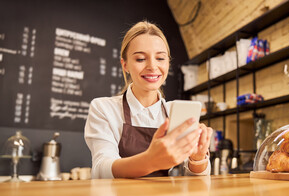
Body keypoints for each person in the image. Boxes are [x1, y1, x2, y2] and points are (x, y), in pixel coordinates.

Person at [84, 21, 213, 178]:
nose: (152, 66)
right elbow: (102, 169)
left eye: (160, 58)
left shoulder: (174, 111)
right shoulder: (103, 108)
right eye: (140, 59)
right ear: (125, 65)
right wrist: (151, 161)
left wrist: (197, 159)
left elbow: (195, 180)